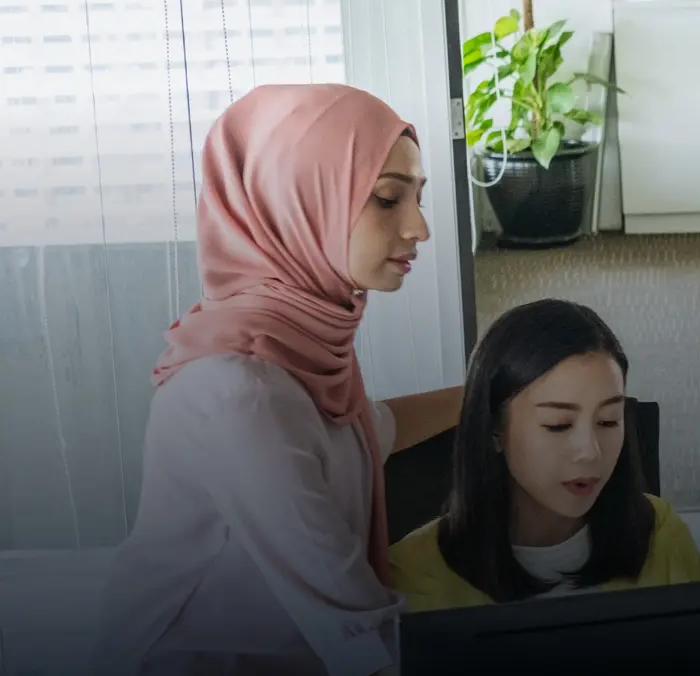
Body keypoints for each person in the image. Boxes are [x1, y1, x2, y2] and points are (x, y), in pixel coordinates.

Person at [88, 83, 463, 676]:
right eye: (389, 200)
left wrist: (492, 393)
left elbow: (360, 431)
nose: (420, 228)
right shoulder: (237, 389)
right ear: (300, 203)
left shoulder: (301, 343)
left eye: (418, 198)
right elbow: (350, 623)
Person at [389, 299, 700, 612]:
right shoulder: (408, 577)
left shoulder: (662, 537)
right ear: (494, 430)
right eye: (558, 425)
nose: (589, 452)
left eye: (608, 420)